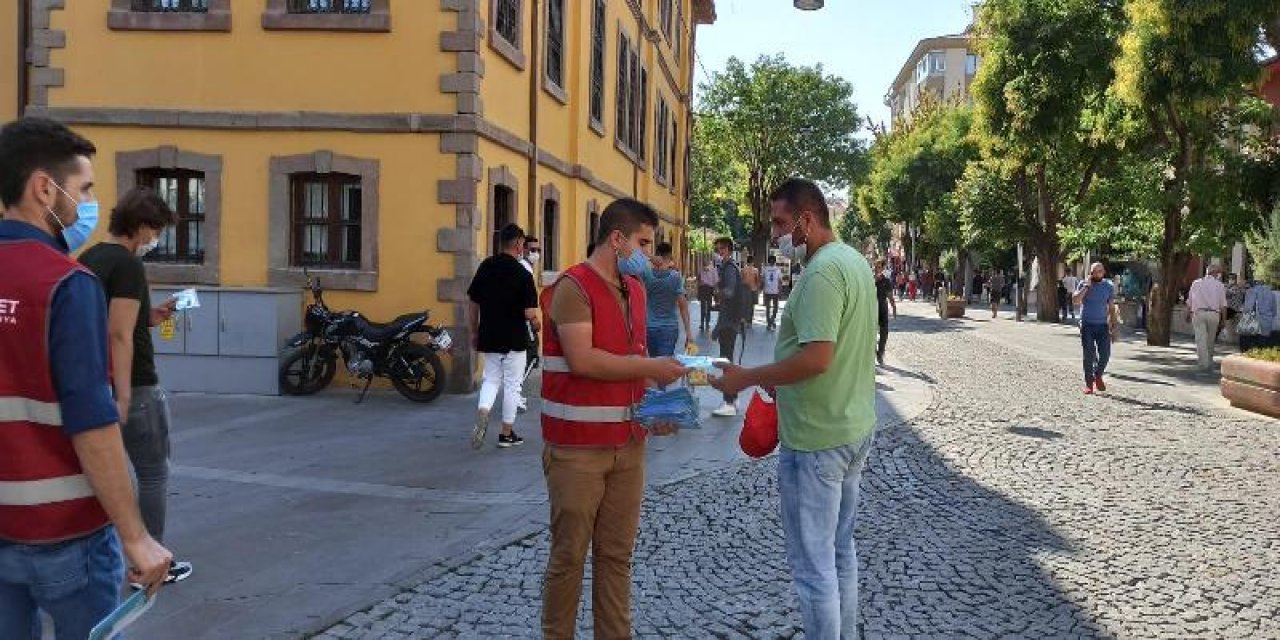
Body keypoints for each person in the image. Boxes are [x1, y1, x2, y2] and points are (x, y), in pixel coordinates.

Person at [0, 117, 172, 638]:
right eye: (84, 190)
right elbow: (92, 425)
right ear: (43, 189)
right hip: (67, 535)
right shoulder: (67, 284)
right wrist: (136, 536)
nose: (88, 205)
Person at [711, 178, 877, 639]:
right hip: (850, 427)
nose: (778, 232)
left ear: (807, 220)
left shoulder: (823, 272)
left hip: (818, 438)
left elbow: (816, 358)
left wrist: (746, 377)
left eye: (782, 223)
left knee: (813, 566)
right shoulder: (853, 262)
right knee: (840, 553)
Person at [539, 198, 687, 638]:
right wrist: (650, 370)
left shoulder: (636, 290)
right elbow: (584, 360)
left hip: (629, 445)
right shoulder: (573, 288)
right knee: (569, 557)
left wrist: (655, 410)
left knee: (617, 556)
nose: (648, 254)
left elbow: (632, 360)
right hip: (577, 450)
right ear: (616, 239)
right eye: (642, 243)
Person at [79, 187, 194, 587]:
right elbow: (119, 335)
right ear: (141, 226)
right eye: (156, 230)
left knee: (101, 474)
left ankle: (104, 558)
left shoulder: (91, 258)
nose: (155, 239)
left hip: (93, 379)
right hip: (137, 385)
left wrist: (154, 314)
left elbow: (112, 319)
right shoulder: (127, 265)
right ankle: (150, 561)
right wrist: (125, 394)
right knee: (152, 473)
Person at [467, 223, 539, 449]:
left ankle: (483, 411)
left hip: (489, 333)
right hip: (514, 337)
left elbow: (473, 301)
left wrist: (473, 331)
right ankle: (506, 434)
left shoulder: (486, 266)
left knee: (491, 379)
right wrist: (536, 323)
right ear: (519, 244)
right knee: (512, 386)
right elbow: (529, 312)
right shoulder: (522, 272)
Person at [711, 237, 744, 417]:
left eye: (722, 248)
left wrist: (717, 291)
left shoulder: (729, 268)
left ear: (729, 250)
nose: (719, 251)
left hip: (728, 320)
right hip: (730, 319)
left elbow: (729, 292)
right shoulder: (728, 267)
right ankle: (734, 397)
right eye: (717, 249)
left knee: (726, 362)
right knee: (728, 361)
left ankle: (729, 402)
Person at [1072, 262, 1118, 394]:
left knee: (1105, 354)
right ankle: (1089, 384)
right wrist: (1087, 286)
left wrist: (1113, 326)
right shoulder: (1083, 284)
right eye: (1094, 271)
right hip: (1087, 324)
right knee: (1089, 354)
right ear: (1090, 273)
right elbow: (1075, 300)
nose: (1097, 274)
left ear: (1103, 272)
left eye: (1100, 271)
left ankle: (1098, 375)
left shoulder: (1108, 286)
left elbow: (1111, 306)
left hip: (1102, 325)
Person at [643, 241, 694, 357]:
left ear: (657, 254)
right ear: (670, 256)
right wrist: (689, 333)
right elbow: (683, 307)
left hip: (650, 327)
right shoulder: (675, 277)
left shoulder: (647, 275)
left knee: (654, 364)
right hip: (669, 328)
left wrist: (649, 258)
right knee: (665, 365)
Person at [515, 236, 542, 413]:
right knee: (532, 354)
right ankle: (515, 395)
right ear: (523, 249)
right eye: (532, 250)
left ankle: (515, 394)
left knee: (521, 358)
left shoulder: (524, 267)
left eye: (538, 250)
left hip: (517, 319)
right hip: (523, 319)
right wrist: (533, 319)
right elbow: (525, 299)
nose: (535, 254)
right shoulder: (524, 269)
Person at [1186, 264, 1229, 371]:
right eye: (1218, 273)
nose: (1219, 275)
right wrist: (1224, 320)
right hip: (1214, 314)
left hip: (1199, 313)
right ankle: (1208, 361)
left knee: (1201, 339)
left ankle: (1203, 363)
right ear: (1214, 273)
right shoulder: (1220, 285)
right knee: (1210, 340)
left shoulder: (1196, 283)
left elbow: (1189, 302)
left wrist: (1187, 314)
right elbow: (1223, 305)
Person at [1240, 276, 1277, 353]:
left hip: (1254, 323)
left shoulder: (1251, 291)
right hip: (1267, 322)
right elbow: (1274, 311)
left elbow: (1248, 308)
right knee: (1263, 347)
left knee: (1251, 346)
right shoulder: (1271, 293)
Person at [874, 259, 897, 366]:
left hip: (882, 307)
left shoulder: (886, 281)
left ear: (882, 268)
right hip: (871, 308)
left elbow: (890, 296)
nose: (877, 269)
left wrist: (894, 308)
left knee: (884, 332)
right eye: (876, 267)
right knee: (870, 333)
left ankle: (880, 352)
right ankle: (872, 352)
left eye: (879, 267)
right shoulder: (868, 280)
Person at [763, 254, 783, 331]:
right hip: (775, 292)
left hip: (767, 291)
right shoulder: (778, 270)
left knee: (768, 308)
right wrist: (780, 291)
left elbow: (762, 279)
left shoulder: (765, 269)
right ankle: (771, 320)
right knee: (775, 308)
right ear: (775, 261)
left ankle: (769, 322)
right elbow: (780, 281)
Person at [697, 259, 718, 333]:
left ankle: (705, 323)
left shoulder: (710, 270)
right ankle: (705, 323)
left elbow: (715, 281)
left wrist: (715, 291)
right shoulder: (704, 270)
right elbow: (715, 281)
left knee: (705, 307)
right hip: (706, 289)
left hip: (706, 289)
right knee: (706, 307)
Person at [742, 255, 762, 326]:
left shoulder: (743, 269)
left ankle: (745, 320)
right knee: (752, 306)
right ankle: (750, 321)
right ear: (753, 262)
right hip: (753, 289)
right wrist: (758, 289)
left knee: (746, 305)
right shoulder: (755, 270)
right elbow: (757, 281)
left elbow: (741, 280)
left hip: (745, 290)